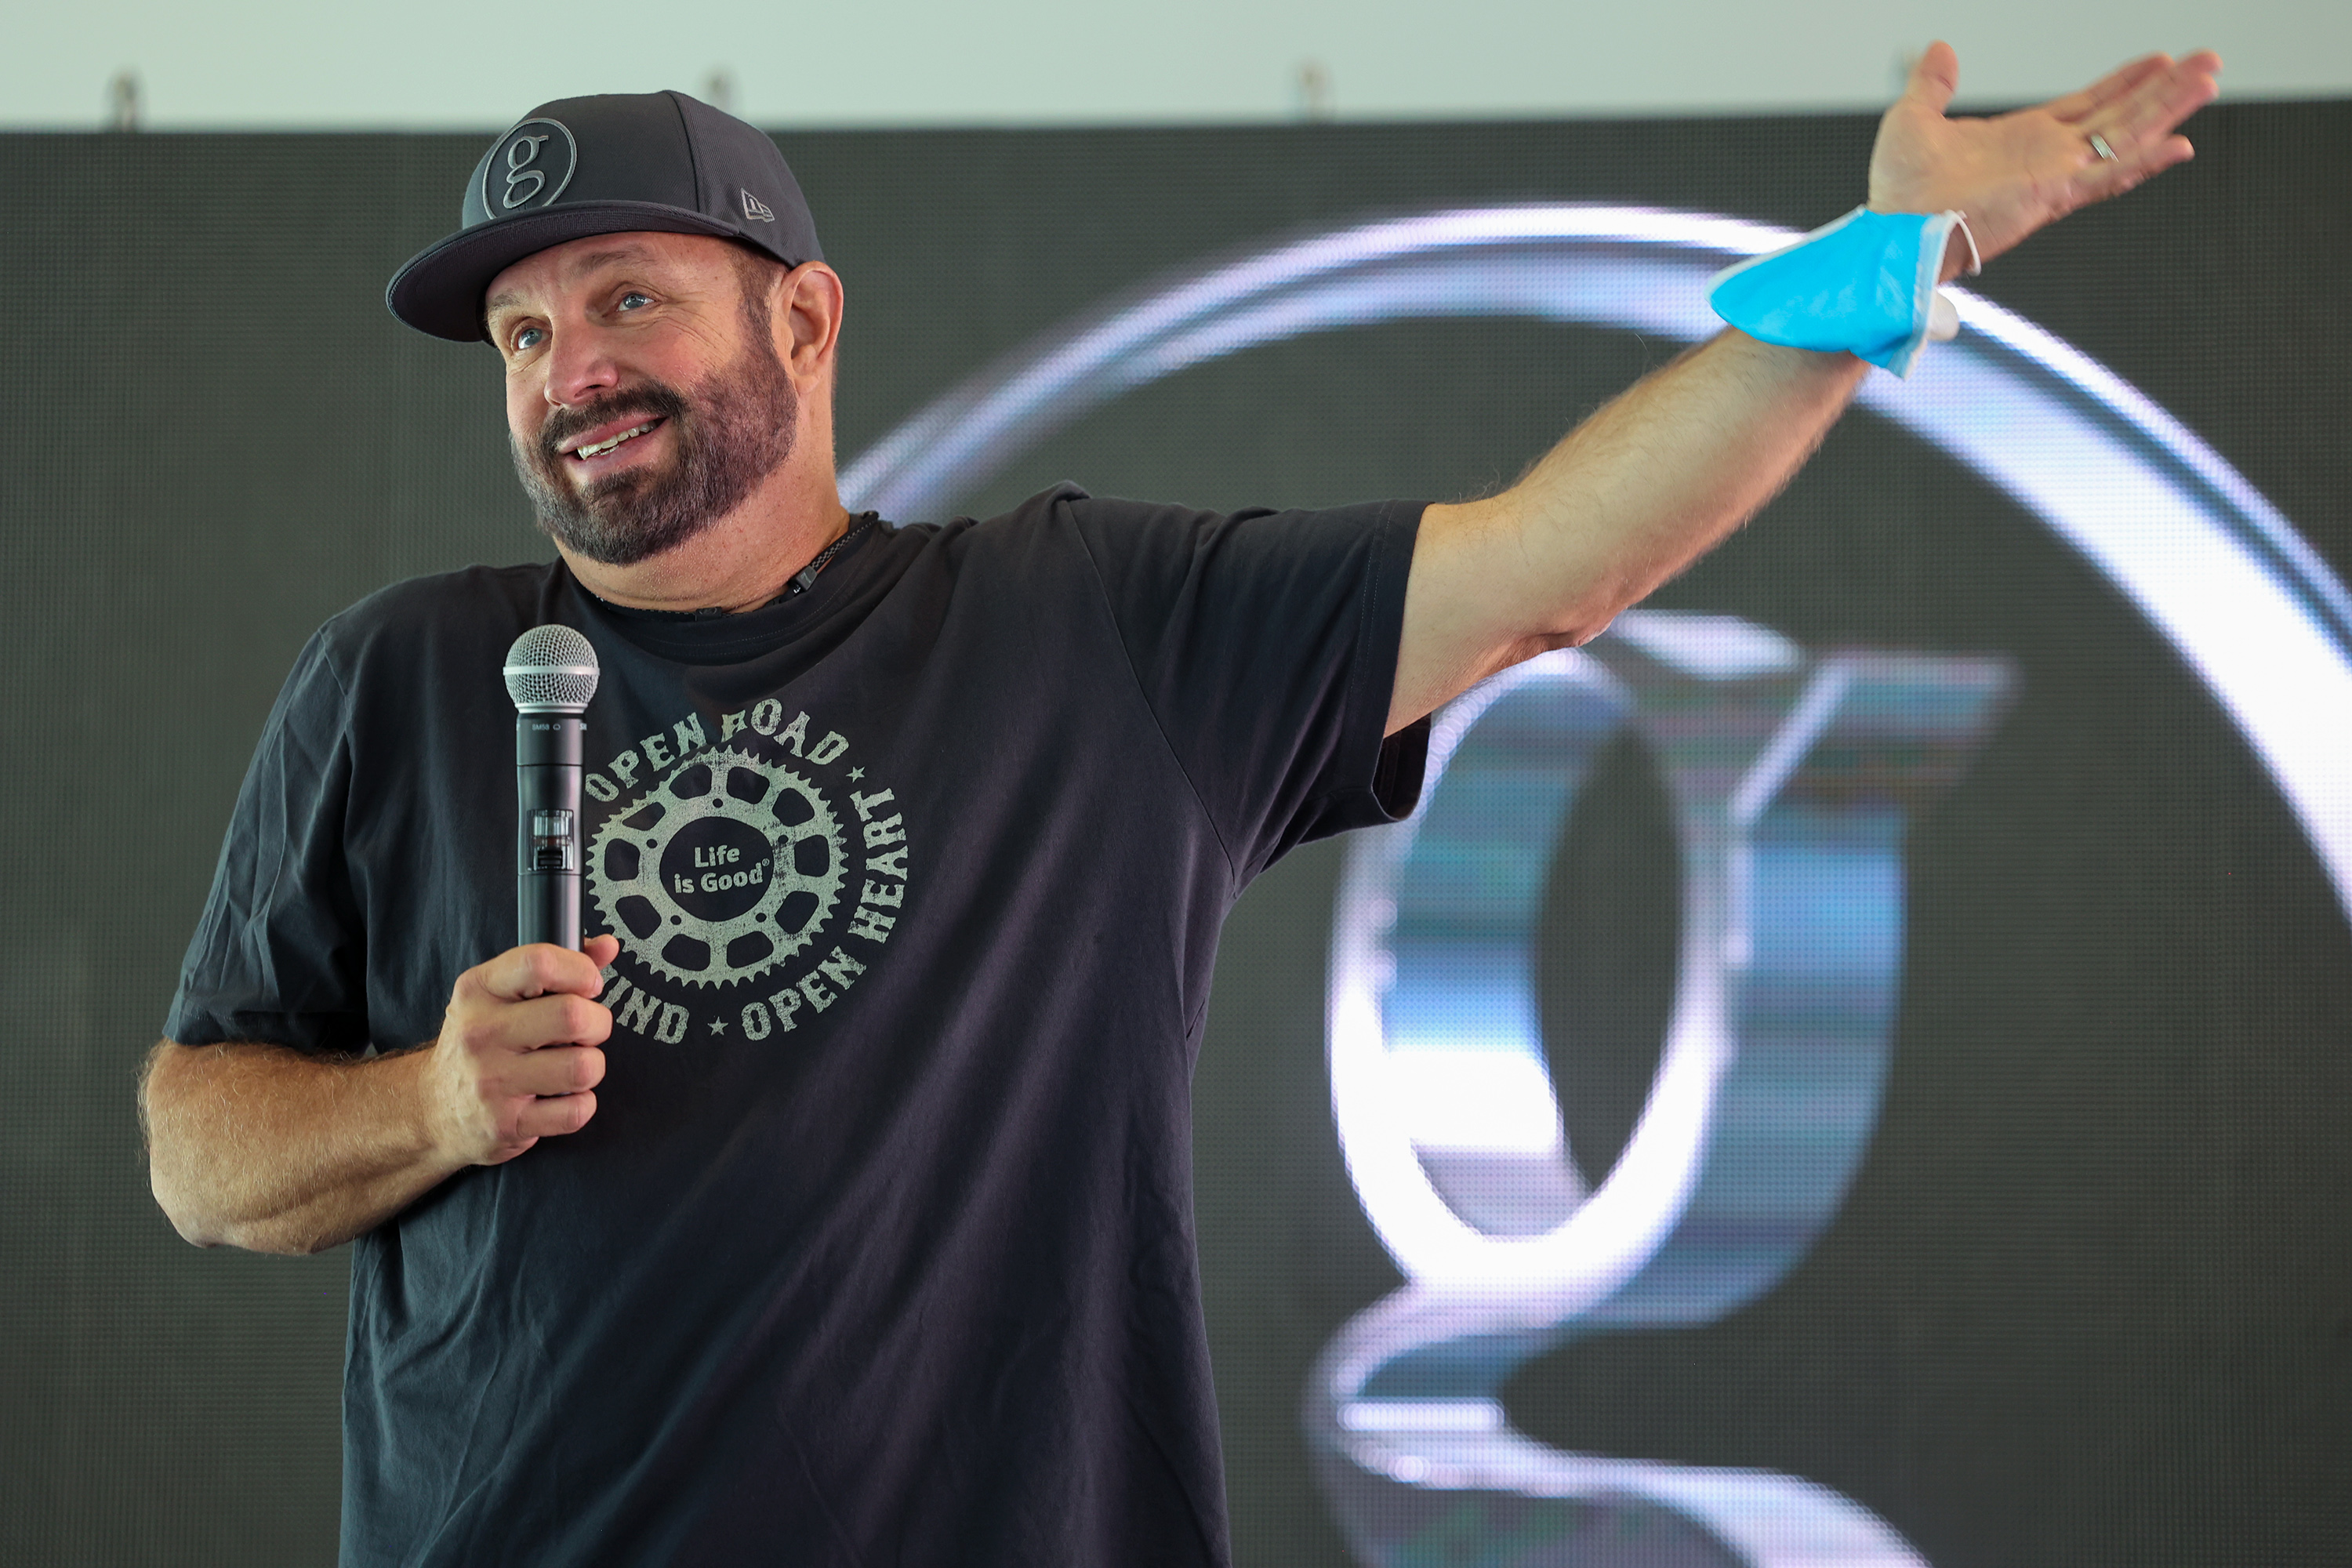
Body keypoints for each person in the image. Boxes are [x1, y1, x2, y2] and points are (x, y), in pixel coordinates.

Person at [140, 45, 2218, 1567]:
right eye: (518, 333)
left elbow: (1549, 562)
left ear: (803, 312)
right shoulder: (397, 675)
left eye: (624, 300)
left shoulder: (1086, 627)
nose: (565, 366)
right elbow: (195, 1147)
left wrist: (1880, 271)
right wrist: (427, 1102)